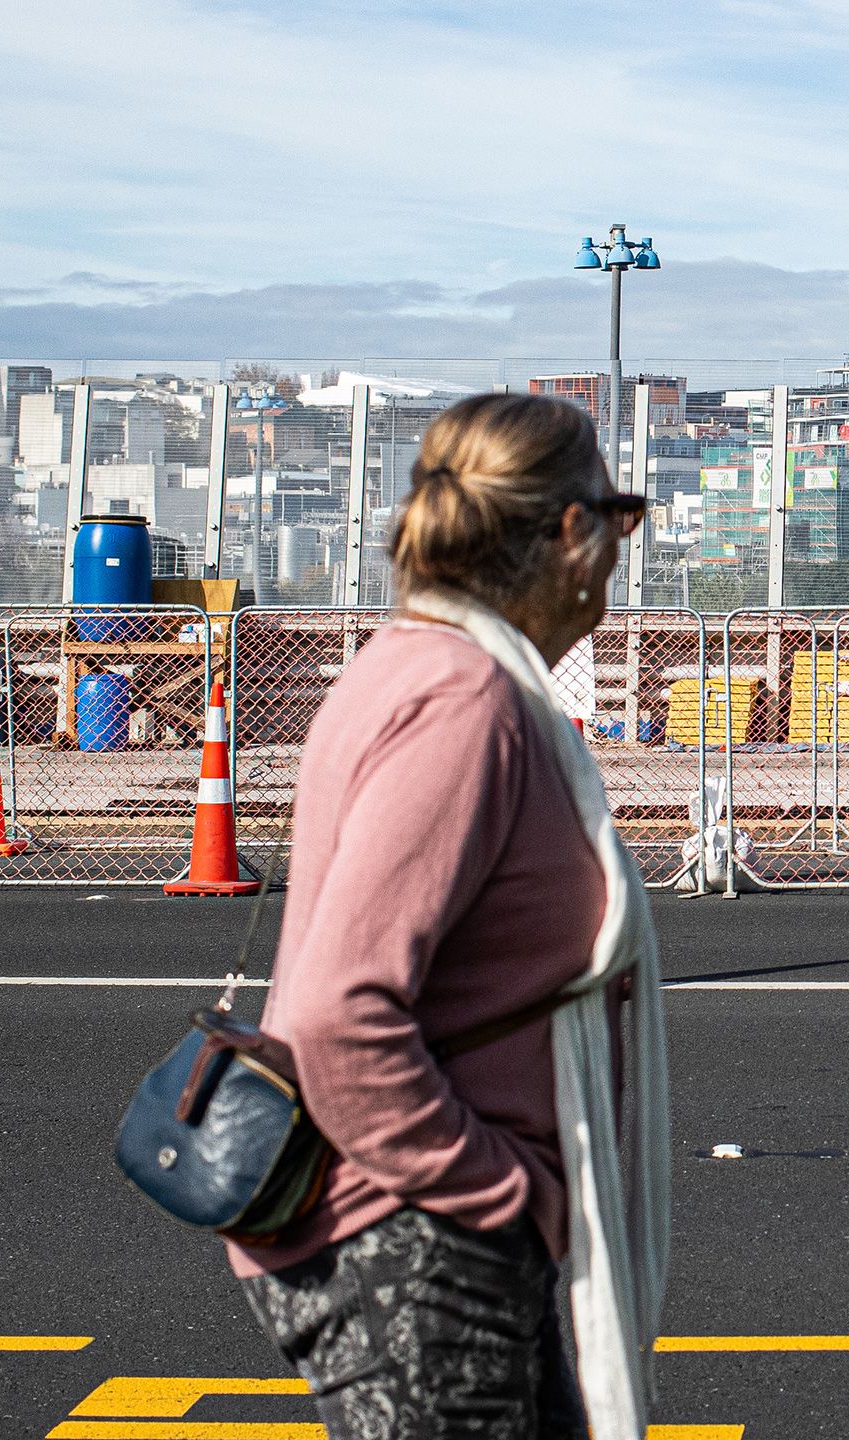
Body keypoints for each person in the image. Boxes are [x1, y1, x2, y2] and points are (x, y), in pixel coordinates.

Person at [226, 393, 667, 1439]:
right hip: (420, 1248)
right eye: (621, 516)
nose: (621, 548)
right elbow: (338, 1015)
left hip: (422, 1240)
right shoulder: (464, 702)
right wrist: (504, 1192)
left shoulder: (418, 669)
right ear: (571, 532)